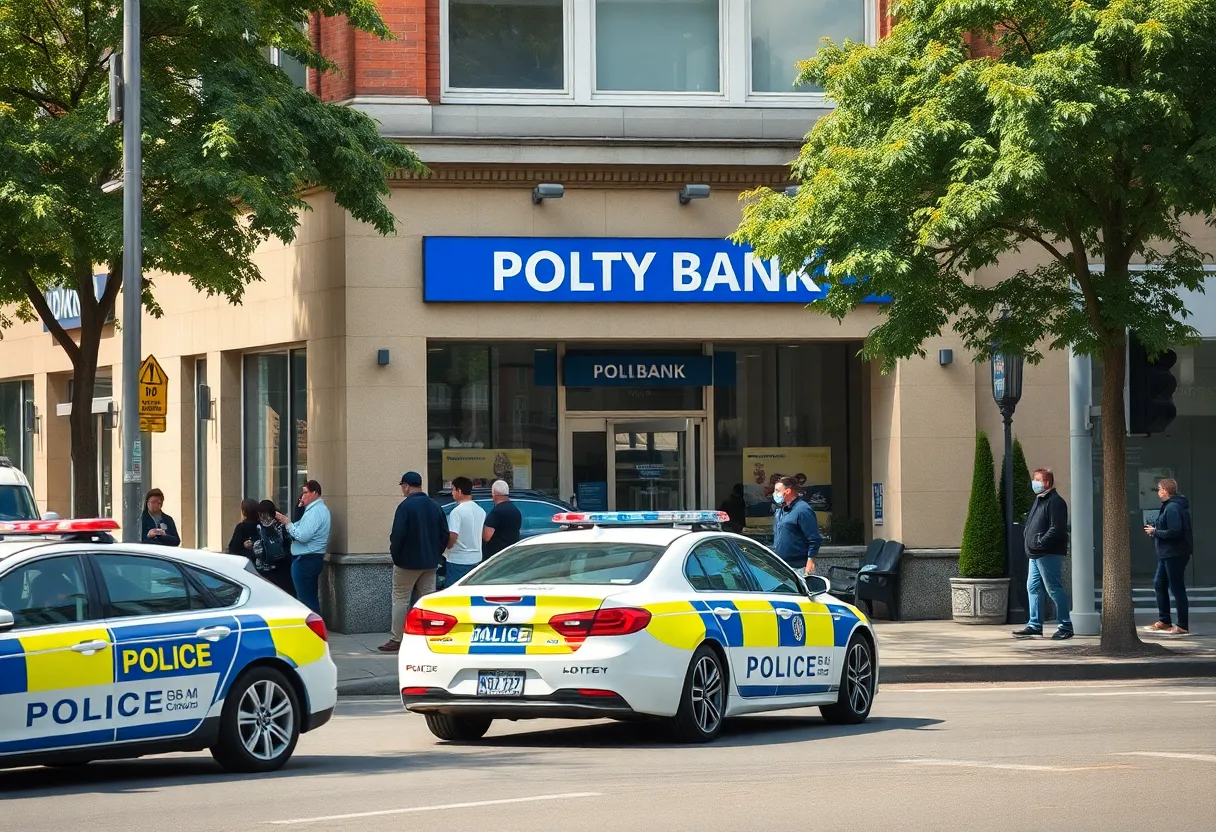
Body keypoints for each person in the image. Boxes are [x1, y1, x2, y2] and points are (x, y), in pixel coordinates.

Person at [378, 471, 449, 653]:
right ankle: (428, 636)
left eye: (402, 486)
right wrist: (435, 554)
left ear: (407, 486)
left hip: (406, 563)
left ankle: (397, 639)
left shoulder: (405, 507)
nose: (402, 490)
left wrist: (396, 556)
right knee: (427, 599)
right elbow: (444, 534)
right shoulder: (435, 506)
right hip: (430, 562)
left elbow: (397, 535)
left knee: (401, 599)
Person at [1014, 468, 1073, 640]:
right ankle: (1035, 625)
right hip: (1035, 553)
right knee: (1033, 588)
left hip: (1048, 553)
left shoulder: (1055, 502)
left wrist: (1040, 542)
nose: (1035, 483)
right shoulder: (1039, 500)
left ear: (1047, 483)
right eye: (1034, 479)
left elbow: (1057, 528)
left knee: (1054, 589)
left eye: (1038, 480)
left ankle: (1066, 626)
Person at [1144, 478, 1193, 635]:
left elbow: (1175, 531)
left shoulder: (1173, 508)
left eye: (1159, 489)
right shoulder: (1169, 506)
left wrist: (1155, 532)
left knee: (1177, 587)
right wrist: (1156, 529)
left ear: (1165, 490)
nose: (1158, 492)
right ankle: (1164, 621)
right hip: (1167, 553)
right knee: (1159, 583)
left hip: (1175, 553)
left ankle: (1182, 625)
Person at [276, 480, 330, 615]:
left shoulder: (315, 511)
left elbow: (303, 536)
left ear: (315, 493)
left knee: (306, 601)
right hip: (308, 558)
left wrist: (287, 523)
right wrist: (297, 511)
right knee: (307, 598)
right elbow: (298, 527)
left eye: (305, 492)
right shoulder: (312, 510)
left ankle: (313, 626)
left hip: (306, 559)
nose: (302, 496)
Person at [772, 476, 822, 576]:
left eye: (777, 491)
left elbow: (814, 538)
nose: (774, 494)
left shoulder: (803, 510)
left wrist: (810, 560)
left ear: (788, 491)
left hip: (798, 567)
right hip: (781, 565)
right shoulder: (781, 510)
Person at [444, 476, 486, 585]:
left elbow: (453, 535)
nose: (452, 493)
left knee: (455, 592)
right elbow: (483, 534)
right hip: (476, 559)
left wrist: (447, 547)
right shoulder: (481, 511)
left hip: (458, 559)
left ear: (459, 491)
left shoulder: (456, 512)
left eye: (453, 489)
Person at [256, 499, 296, 596]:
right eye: (261, 514)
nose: (264, 518)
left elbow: (289, 541)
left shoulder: (280, 525)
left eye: (265, 514)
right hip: (268, 566)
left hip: (280, 566)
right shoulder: (259, 527)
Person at [482, 479, 522, 560]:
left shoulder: (496, 511)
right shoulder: (516, 510)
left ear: (495, 494)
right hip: (510, 553)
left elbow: (486, 536)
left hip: (496, 556)